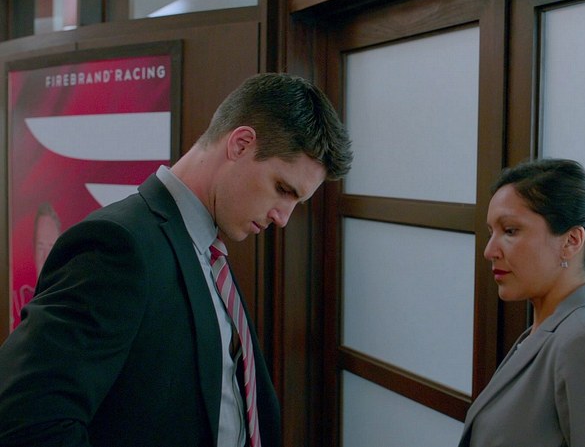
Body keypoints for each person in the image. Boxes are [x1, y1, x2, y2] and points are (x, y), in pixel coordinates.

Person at [0, 73, 352, 447]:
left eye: (297, 202)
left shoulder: (207, 247)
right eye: (282, 189)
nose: (283, 217)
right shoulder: (119, 246)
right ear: (241, 144)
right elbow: (27, 421)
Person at [458, 159, 585, 447]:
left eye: (510, 231)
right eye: (491, 232)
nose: (489, 250)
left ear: (571, 241)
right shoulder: (545, 333)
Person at [11, 201, 62, 330]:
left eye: (51, 247)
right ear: (33, 249)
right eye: (40, 247)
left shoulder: (69, 301)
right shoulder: (16, 301)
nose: (45, 256)